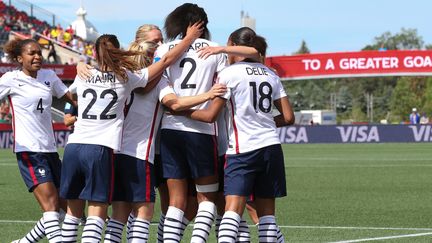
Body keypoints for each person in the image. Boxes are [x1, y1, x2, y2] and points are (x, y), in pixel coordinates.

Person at [59, 22, 204, 243]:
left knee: (99, 215)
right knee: (140, 215)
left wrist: (80, 65)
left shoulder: (85, 75)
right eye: (157, 43)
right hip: (131, 154)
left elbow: (67, 97)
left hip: (93, 150)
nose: (161, 46)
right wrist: (209, 95)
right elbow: (172, 96)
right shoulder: (130, 77)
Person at [181, 27, 294, 242]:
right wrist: (263, 119)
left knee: (231, 213)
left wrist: (181, 110)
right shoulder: (271, 74)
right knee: (267, 216)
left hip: (242, 150)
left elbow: (210, 116)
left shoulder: (229, 73)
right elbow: (288, 117)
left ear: (233, 45)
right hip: (271, 147)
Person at [152, 4, 229, 242]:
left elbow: (159, 86)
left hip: (170, 131)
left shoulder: (164, 49)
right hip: (202, 132)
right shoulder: (216, 50)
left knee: (176, 200)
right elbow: (222, 89)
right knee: (207, 198)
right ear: (203, 24)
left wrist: (175, 109)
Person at [0, 38, 75, 243]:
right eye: (31, 53)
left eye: (39, 53)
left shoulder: (49, 76)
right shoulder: (10, 79)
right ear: (19, 58)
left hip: (50, 150)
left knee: (66, 209)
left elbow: (70, 98)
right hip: (28, 149)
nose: (36, 57)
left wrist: (72, 112)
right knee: (50, 206)